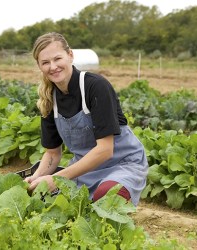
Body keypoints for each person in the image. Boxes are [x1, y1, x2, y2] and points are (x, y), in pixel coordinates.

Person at [25, 32, 148, 206]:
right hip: (84, 171)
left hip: (122, 164)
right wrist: (36, 179)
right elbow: (52, 154)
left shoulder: (95, 86)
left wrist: (57, 178)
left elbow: (105, 150)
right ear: (39, 66)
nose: (53, 67)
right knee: (50, 204)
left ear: (70, 55)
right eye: (45, 62)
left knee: (107, 196)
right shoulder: (49, 99)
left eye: (57, 59)